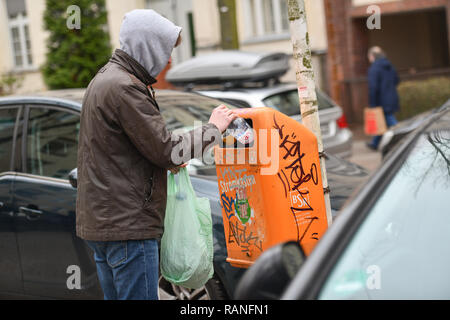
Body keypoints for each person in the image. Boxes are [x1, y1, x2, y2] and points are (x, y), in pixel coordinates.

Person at [75, 9, 237, 300]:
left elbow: (122, 151)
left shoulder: (104, 80)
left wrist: (163, 158)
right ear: (148, 47)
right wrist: (213, 128)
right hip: (128, 228)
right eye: (165, 50)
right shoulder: (126, 88)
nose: (170, 60)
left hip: (104, 224)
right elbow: (166, 150)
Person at [366, 46, 400, 151]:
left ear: (372, 56)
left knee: (391, 122)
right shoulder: (390, 66)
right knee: (382, 122)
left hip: (381, 101)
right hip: (392, 98)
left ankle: (402, 137)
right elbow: (397, 80)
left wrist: (373, 104)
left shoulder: (374, 68)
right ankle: (375, 144)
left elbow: (373, 87)